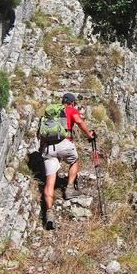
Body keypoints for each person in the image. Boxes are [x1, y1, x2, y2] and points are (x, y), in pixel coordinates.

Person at [40, 92, 94, 230]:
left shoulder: (52, 112)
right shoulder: (70, 109)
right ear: (72, 102)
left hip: (49, 147)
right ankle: (69, 189)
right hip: (65, 143)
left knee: (49, 182)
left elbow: (42, 132)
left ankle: (49, 213)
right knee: (74, 160)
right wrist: (89, 135)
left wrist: (42, 148)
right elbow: (79, 121)